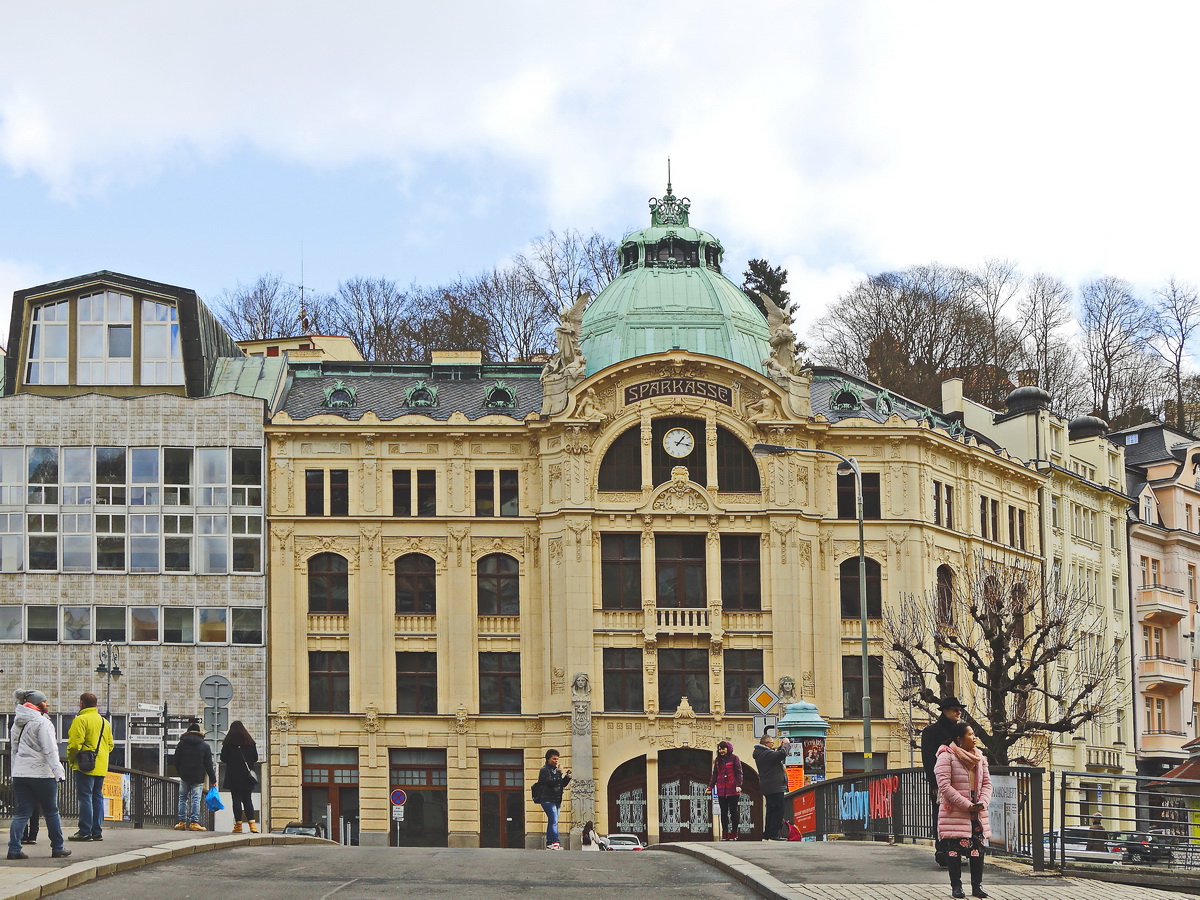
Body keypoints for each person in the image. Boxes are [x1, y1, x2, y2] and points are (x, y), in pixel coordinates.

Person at [6, 689, 71, 861]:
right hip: (42, 774)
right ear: (37, 704)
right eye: (44, 701)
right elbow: (49, 750)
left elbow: (14, 750)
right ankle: (58, 847)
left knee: (21, 813)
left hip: (21, 773)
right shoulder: (43, 723)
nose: (47, 704)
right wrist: (59, 772)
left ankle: (14, 849)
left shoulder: (17, 723)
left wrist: (15, 771)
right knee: (51, 811)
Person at [935, 722, 992, 899]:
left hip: (977, 811)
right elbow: (944, 786)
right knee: (954, 850)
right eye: (970, 734)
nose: (974, 737)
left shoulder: (980, 758)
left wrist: (982, 802)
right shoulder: (946, 756)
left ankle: (977, 886)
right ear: (959, 739)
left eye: (974, 734)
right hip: (956, 810)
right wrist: (967, 805)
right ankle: (956, 887)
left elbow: (987, 784)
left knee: (977, 849)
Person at [922, 696, 965, 865]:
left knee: (958, 816)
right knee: (941, 815)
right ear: (945, 711)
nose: (958, 712)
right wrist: (934, 783)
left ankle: (954, 851)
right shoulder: (931, 732)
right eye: (955, 709)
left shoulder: (962, 731)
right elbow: (928, 760)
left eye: (960, 710)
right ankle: (942, 849)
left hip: (960, 781)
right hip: (941, 781)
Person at [66, 692, 114, 842]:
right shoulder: (105, 722)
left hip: (84, 765)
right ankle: (96, 831)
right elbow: (110, 745)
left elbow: (74, 744)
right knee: (97, 796)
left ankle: (84, 831)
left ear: (81, 704)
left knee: (85, 797)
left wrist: (71, 759)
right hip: (100, 766)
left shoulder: (80, 720)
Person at [171, 720, 217, 831]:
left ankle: (181, 822)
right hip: (198, 777)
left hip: (184, 776)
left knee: (182, 798)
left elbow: (176, 760)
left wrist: (180, 772)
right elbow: (208, 764)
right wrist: (213, 779)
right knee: (196, 799)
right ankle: (194, 823)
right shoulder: (205, 746)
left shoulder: (181, 744)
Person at [220, 721, 259, 833]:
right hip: (247, 777)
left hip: (234, 776)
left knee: (236, 800)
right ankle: (252, 825)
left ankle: (238, 825)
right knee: (248, 800)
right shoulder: (250, 743)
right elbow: (255, 758)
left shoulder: (228, 743)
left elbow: (223, 758)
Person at [752, 729, 790, 841]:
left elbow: (775, 755)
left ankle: (768, 833)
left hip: (770, 787)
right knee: (778, 810)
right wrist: (786, 744)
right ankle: (774, 834)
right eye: (772, 743)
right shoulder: (765, 754)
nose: (773, 745)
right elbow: (781, 754)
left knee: (771, 810)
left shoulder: (762, 754)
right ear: (766, 744)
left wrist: (781, 746)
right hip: (775, 787)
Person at [535, 749, 571, 850]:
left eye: (557, 759)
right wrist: (559, 773)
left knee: (552, 821)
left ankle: (549, 843)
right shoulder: (544, 770)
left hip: (556, 799)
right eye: (554, 759)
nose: (556, 761)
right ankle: (556, 842)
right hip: (547, 799)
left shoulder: (555, 770)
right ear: (548, 759)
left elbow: (560, 784)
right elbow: (550, 782)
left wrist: (567, 778)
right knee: (554, 820)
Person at [708, 740, 743, 841]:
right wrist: (710, 787)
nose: (721, 751)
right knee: (723, 812)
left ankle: (734, 833)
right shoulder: (718, 760)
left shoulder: (734, 758)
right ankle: (725, 833)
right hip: (721, 789)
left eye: (723, 749)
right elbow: (715, 774)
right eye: (719, 749)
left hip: (733, 789)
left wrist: (738, 785)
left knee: (733, 811)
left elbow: (739, 773)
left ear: (728, 749)